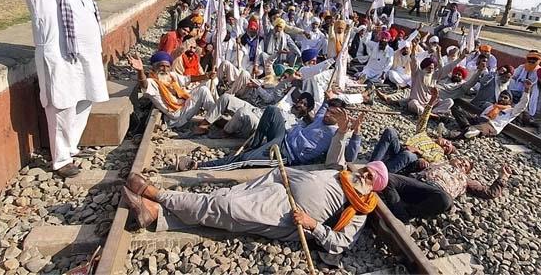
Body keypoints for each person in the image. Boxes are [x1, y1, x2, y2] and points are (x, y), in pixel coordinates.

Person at [10, 0, 109, 178]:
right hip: (59, 56)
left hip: (85, 56)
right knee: (61, 106)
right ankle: (60, 159)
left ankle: (71, 147)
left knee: (86, 99)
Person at [119, 162, 388, 256]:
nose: (363, 176)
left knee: (226, 207)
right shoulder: (341, 174)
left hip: (287, 216)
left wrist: (312, 224)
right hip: (278, 186)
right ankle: (155, 214)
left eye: (369, 178)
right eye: (365, 171)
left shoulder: (360, 211)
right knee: (222, 203)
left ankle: (157, 195)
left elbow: (340, 244)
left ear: (373, 188)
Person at [192, 98, 361, 171]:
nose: (327, 115)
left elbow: (350, 157)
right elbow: (326, 101)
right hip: (283, 137)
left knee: (245, 159)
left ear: (339, 119)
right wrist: (332, 98)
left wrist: (356, 131)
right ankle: (257, 145)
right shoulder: (321, 117)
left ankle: (200, 166)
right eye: (328, 111)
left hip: (286, 154)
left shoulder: (336, 135)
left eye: (333, 114)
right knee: (272, 110)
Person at [368, 89, 456, 174]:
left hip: (413, 159)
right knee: (390, 131)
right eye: (448, 143)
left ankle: (381, 175)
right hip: (402, 149)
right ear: (442, 137)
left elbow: (433, 159)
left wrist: (418, 151)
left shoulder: (439, 151)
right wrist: (431, 101)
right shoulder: (423, 134)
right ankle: (371, 166)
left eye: (447, 149)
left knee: (408, 154)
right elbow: (424, 118)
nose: (446, 145)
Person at [130, 52, 216, 129]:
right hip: (177, 115)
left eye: (167, 66)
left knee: (206, 84)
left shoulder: (171, 76)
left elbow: (187, 79)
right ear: (154, 67)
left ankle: (215, 113)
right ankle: (216, 117)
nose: (165, 69)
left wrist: (206, 76)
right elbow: (144, 84)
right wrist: (140, 71)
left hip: (182, 105)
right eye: (161, 66)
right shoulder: (153, 82)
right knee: (203, 90)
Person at [455, 81, 531, 139]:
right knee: (456, 108)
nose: (502, 99)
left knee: (474, 129)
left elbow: (522, 105)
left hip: (490, 126)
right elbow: (482, 115)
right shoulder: (492, 106)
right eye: (501, 97)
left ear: (510, 101)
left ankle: (470, 131)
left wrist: (527, 90)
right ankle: (469, 128)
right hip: (479, 120)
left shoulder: (511, 111)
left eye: (505, 98)